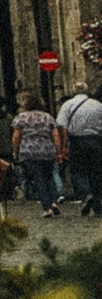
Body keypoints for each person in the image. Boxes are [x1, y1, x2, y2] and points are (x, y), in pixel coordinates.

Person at [13, 96, 63, 217]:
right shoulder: (48, 117)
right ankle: (54, 201)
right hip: (47, 150)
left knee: (38, 178)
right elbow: (55, 136)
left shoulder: (21, 118)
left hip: (29, 152)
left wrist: (15, 151)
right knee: (49, 176)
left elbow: (16, 136)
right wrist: (58, 151)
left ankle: (47, 208)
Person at [57, 82, 102, 215]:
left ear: (73, 91)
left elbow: (62, 127)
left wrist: (64, 146)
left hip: (77, 141)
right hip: (96, 141)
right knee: (96, 170)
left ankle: (86, 195)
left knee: (78, 170)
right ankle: (97, 199)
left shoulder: (67, 105)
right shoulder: (97, 105)